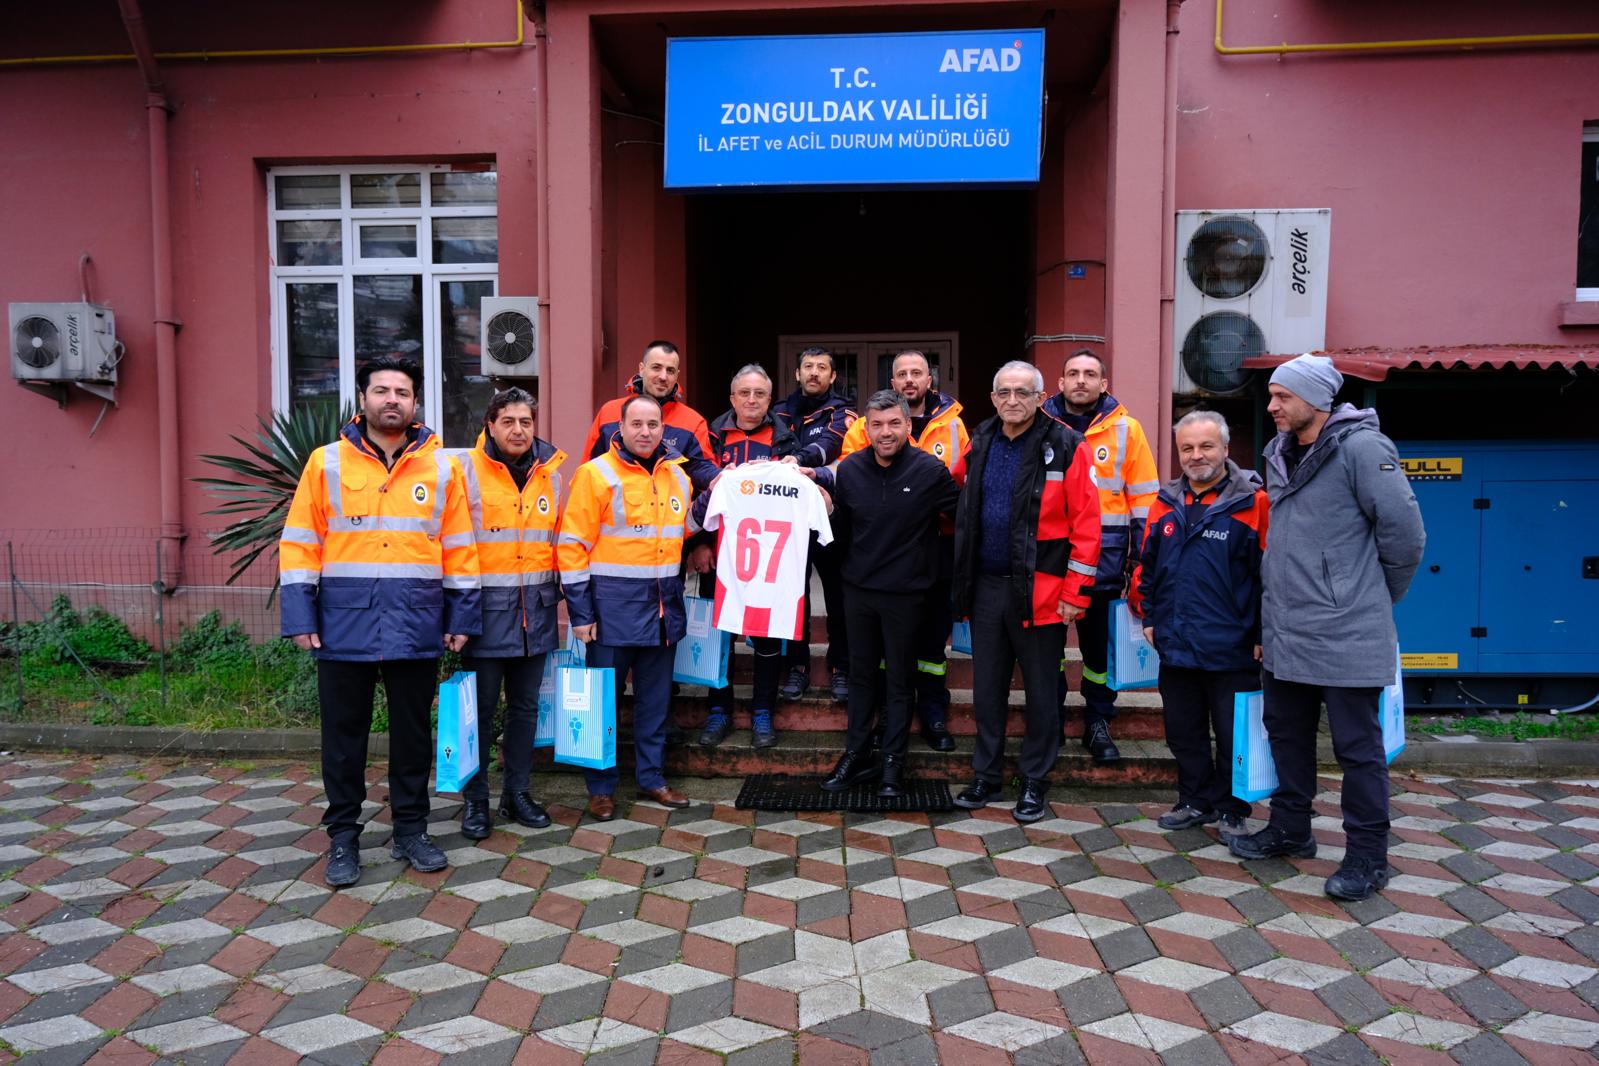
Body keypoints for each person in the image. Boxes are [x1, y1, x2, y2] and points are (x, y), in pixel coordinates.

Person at [1227, 354, 1425, 902]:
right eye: (1271, 395)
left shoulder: (1363, 449)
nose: (1272, 406)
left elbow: (1406, 536)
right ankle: (1291, 831)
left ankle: (1368, 857)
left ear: (1316, 399)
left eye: (1282, 396)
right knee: (1286, 736)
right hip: (1287, 628)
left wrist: (1369, 597)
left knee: (1357, 749)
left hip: (1347, 630)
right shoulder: (1280, 453)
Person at [279, 355, 480, 888]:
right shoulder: (325, 463)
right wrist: (300, 614)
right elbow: (300, 542)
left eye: (403, 392)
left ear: (416, 403)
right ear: (362, 399)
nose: (393, 399)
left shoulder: (441, 468)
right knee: (343, 739)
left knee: (413, 737)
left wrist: (461, 615)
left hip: (417, 623)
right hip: (343, 624)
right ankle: (343, 838)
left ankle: (411, 831)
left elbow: (460, 547)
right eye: (382, 390)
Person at [950, 361, 1100, 823]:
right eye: (1004, 392)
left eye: (1023, 392)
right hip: (987, 590)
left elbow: (1088, 526)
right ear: (993, 398)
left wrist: (1076, 592)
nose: (1012, 400)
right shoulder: (980, 441)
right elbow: (955, 490)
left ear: (1040, 397)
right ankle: (986, 774)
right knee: (987, 691)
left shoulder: (1067, 444)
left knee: (1041, 692)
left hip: (1044, 593)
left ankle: (1035, 779)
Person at [557, 394, 696, 820]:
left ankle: (652, 779)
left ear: (662, 429)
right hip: (610, 613)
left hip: (661, 611)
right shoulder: (595, 474)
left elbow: (683, 529)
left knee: (655, 704)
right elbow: (572, 546)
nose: (645, 432)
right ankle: (601, 788)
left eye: (653, 424)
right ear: (620, 427)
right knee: (603, 704)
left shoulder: (678, 476)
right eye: (637, 424)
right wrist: (581, 615)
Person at [1136, 411, 1268, 835]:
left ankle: (1233, 808)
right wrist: (1151, 617)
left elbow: (1271, 577)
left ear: (1227, 449)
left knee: (1233, 737)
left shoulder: (1254, 503)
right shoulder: (1164, 502)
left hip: (1233, 645)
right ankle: (1195, 801)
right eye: (1187, 448)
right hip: (1176, 642)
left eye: (1206, 446)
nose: (1196, 456)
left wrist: (1263, 634)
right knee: (1183, 731)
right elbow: (1148, 566)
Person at [822, 390, 960, 797]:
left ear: (907, 425)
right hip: (859, 593)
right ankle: (856, 754)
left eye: (894, 424)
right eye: (877, 424)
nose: (885, 432)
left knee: (900, 681)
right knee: (862, 678)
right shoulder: (849, 471)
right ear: (865, 428)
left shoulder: (930, 471)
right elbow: (839, 532)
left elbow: (964, 519)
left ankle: (893, 764)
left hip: (907, 595)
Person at [838, 351, 968, 750]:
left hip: (929, 561)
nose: (909, 379)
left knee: (929, 649)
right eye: (901, 374)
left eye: (917, 373)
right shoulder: (857, 453)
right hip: (871, 575)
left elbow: (965, 504)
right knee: (879, 664)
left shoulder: (953, 428)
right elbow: (848, 506)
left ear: (930, 379)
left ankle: (931, 713)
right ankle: (879, 731)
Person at [455, 387, 564, 837]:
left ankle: (516, 793)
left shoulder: (553, 474)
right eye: (508, 422)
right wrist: (456, 617)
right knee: (477, 714)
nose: (518, 430)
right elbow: (455, 547)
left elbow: (561, 544)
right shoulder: (466, 472)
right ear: (491, 425)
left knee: (525, 710)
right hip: (482, 618)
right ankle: (475, 800)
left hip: (534, 614)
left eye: (526, 422)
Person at [1042, 348, 1159, 764]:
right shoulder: (1039, 425)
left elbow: (1144, 499)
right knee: (1047, 651)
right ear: (1059, 383)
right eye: (1072, 373)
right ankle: (1050, 721)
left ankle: (1097, 722)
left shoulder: (1128, 430)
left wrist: (1141, 561)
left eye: (1089, 374)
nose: (1080, 380)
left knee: (1098, 653)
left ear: (1104, 383)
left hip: (1106, 563)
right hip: (1049, 561)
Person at [690, 364, 801, 750]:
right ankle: (718, 711)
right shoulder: (711, 435)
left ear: (770, 400)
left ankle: (762, 712)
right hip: (719, 555)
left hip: (767, 558)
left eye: (760, 394)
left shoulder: (787, 439)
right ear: (732, 397)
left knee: (767, 636)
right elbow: (697, 490)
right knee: (720, 636)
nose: (752, 400)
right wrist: (700, 543)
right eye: (745, 393)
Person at [772, 346, 856, 704]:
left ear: (833, 376)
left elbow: (831, 445)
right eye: (808, 367)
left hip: (829, 514)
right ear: (797, 373)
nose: (814, 373)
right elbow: (772, 448)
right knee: (794, 595)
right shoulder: (777, 411)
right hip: (786, 517)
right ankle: (797, 666)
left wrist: (797, 461)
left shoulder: (843, 411)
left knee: (838, 595)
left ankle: (841, 666)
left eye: (822, 368)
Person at [581, 340, 720, 491]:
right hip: (615, 509)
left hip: (670, 510)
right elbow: (589, 468)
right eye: (656, 367)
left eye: (670, 370)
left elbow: (701, 469)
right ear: (642, 369)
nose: (663, 376)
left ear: (677, 375)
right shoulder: (609, 412)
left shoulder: (693, 422)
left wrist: (726, 475)